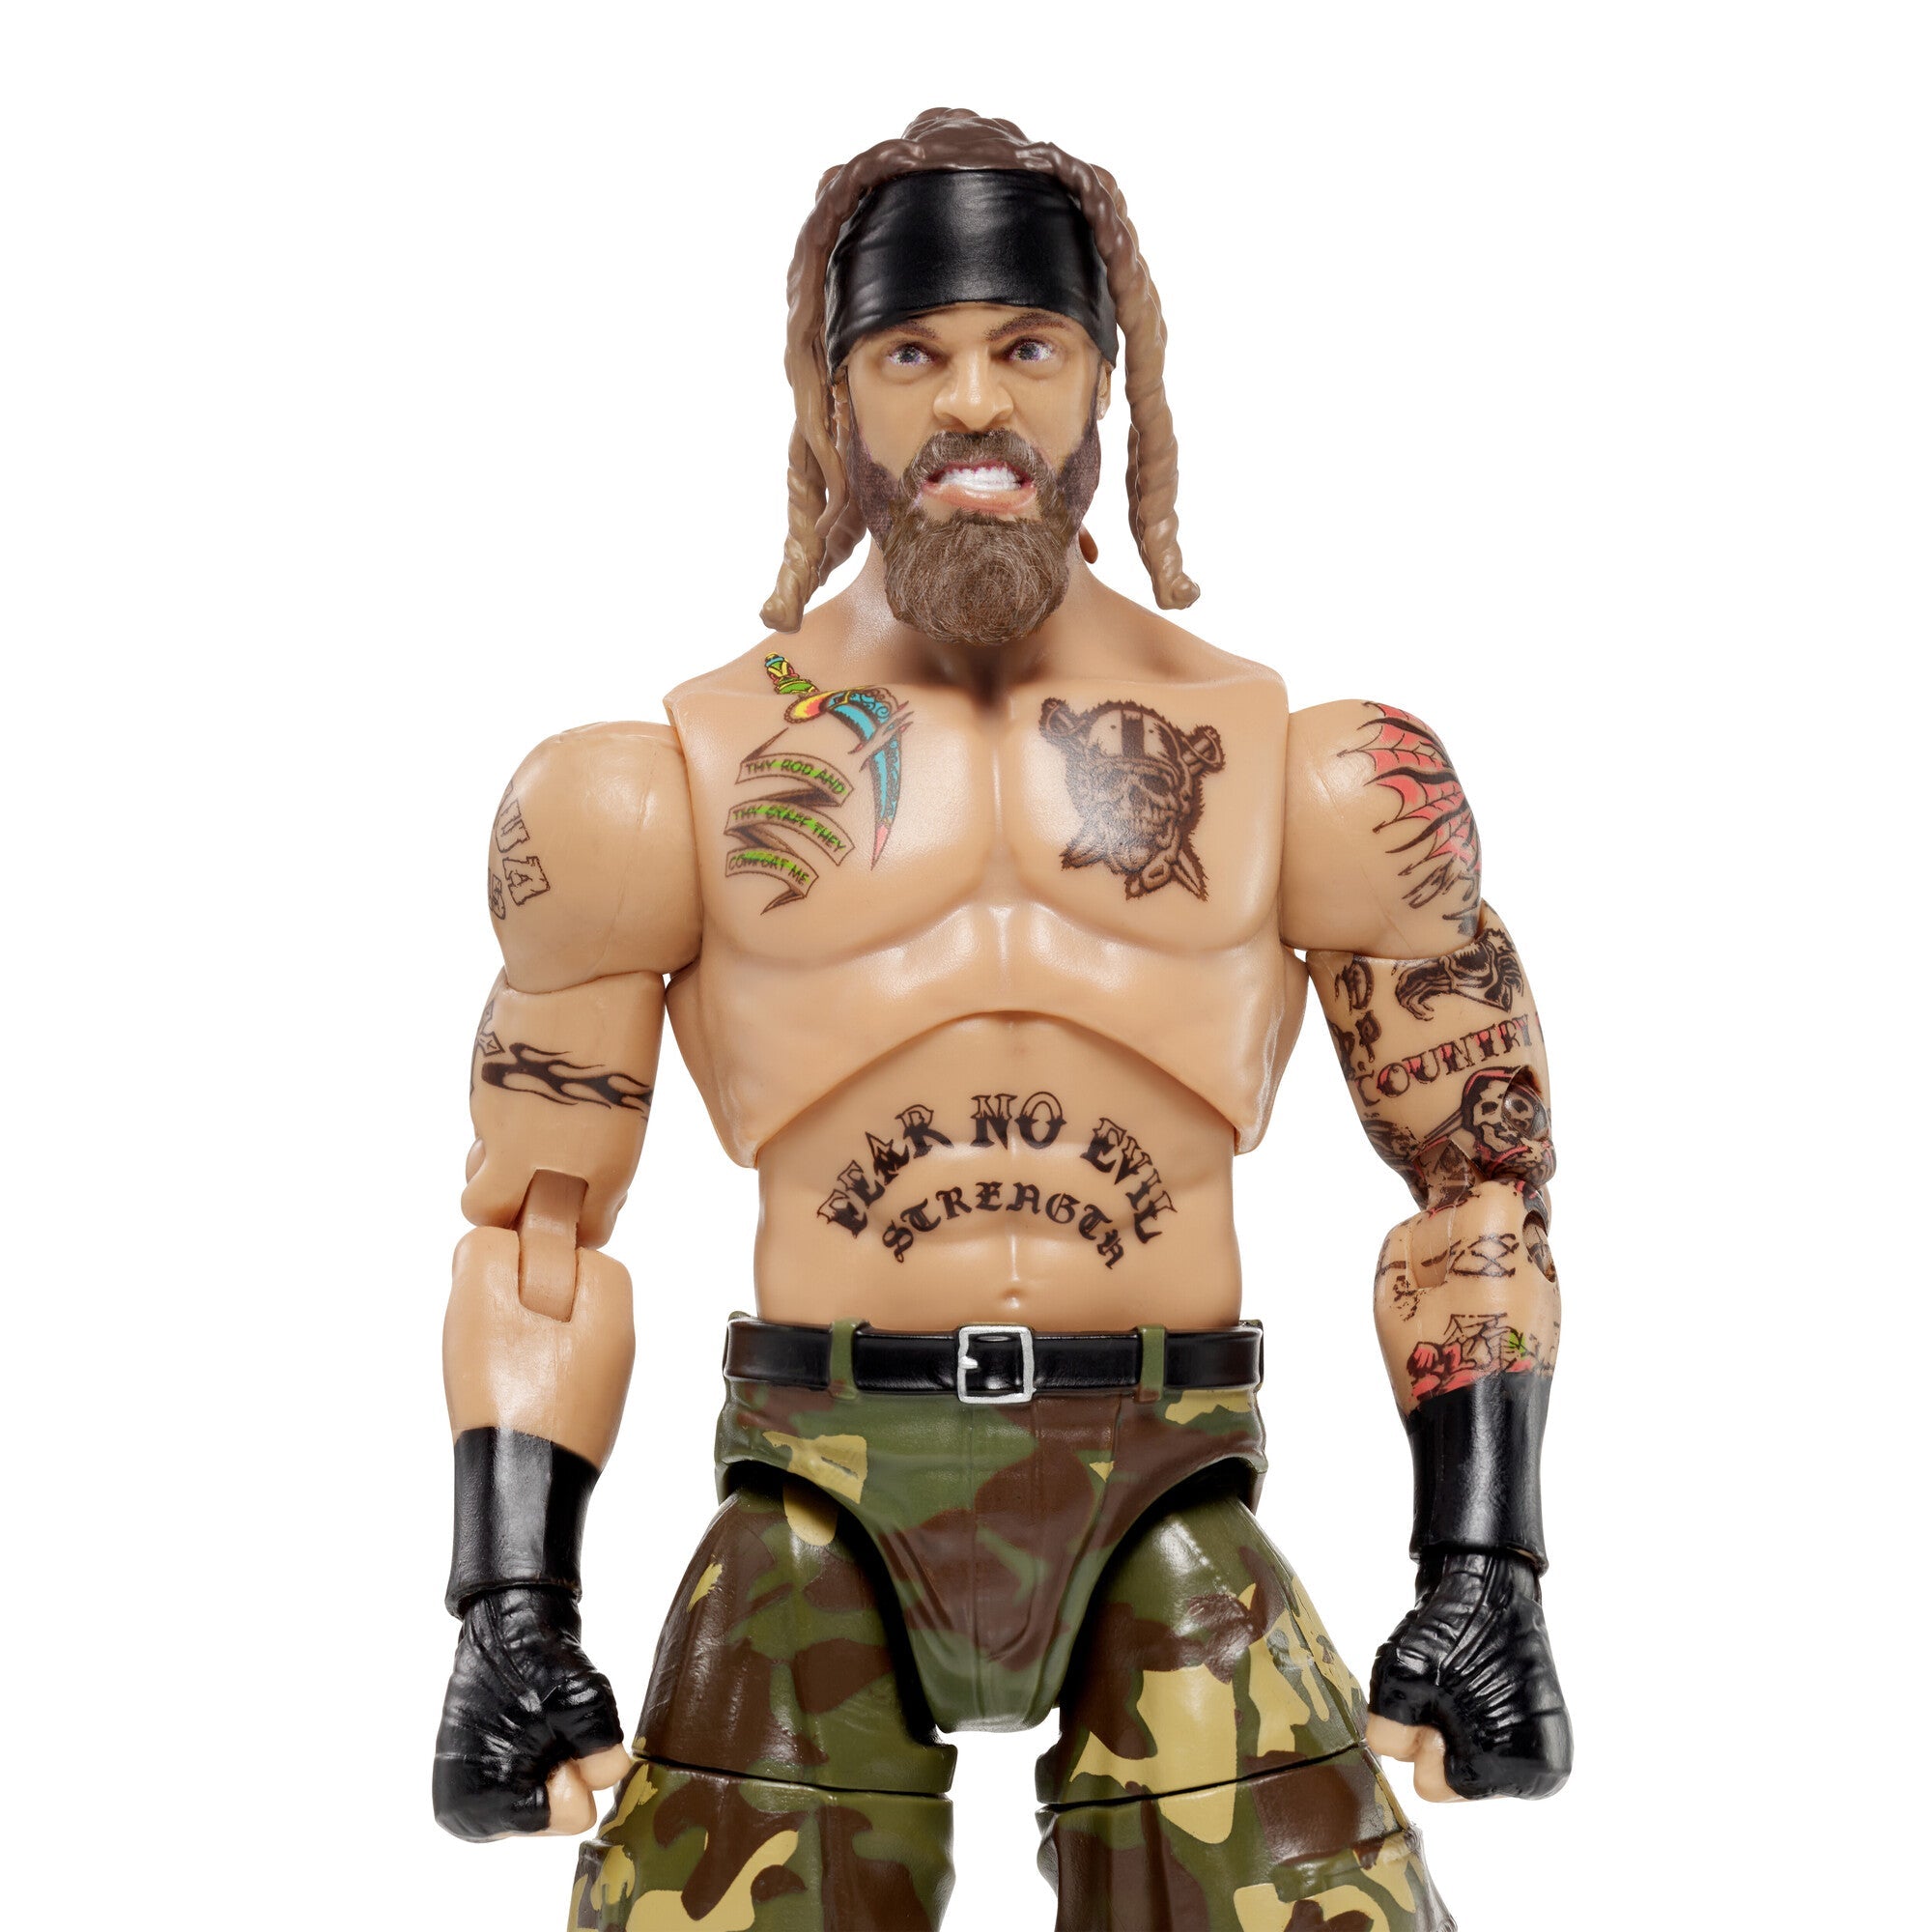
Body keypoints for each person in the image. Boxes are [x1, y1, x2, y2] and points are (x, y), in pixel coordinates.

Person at [433, 107, 1571, 1931]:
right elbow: (541, 1233)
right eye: (914, 354)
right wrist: (510, 1607)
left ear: (1107, 381)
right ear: (835, 398)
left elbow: (1476, 1185)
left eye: (1028, 347)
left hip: (1165, 1472)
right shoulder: (653, 789)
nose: (975, 403)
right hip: (818, 1482)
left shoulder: (1312, 773)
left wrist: (1485, 1567)